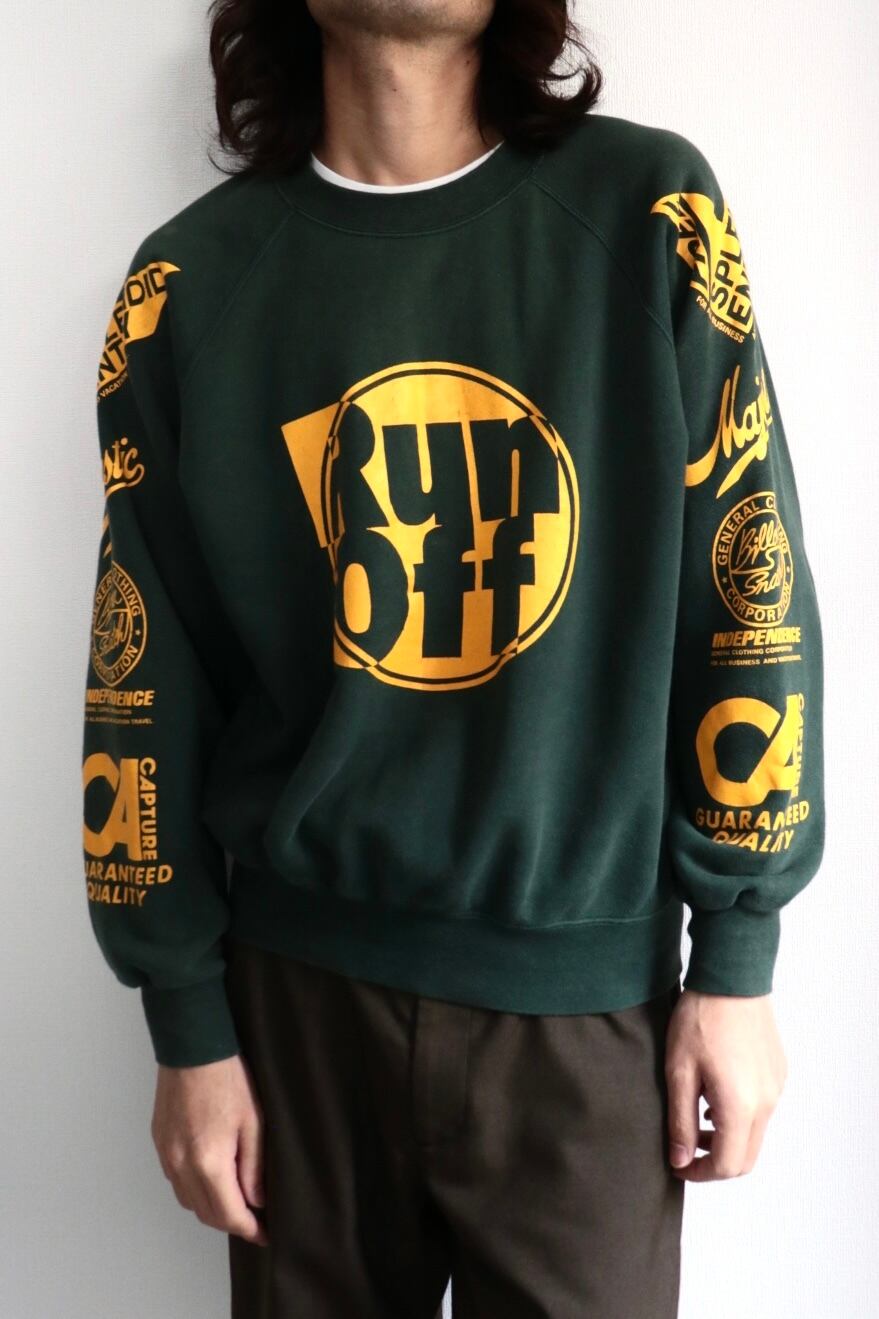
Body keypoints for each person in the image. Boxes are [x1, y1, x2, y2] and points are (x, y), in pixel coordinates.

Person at [81, 1, 825, 1314]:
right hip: (293, 1012)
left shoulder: (650, 213)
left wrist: (738, 954)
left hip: (585, 1010)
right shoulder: (186, 287)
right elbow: (145, 678)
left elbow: (746, 584)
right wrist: (183, 1018)